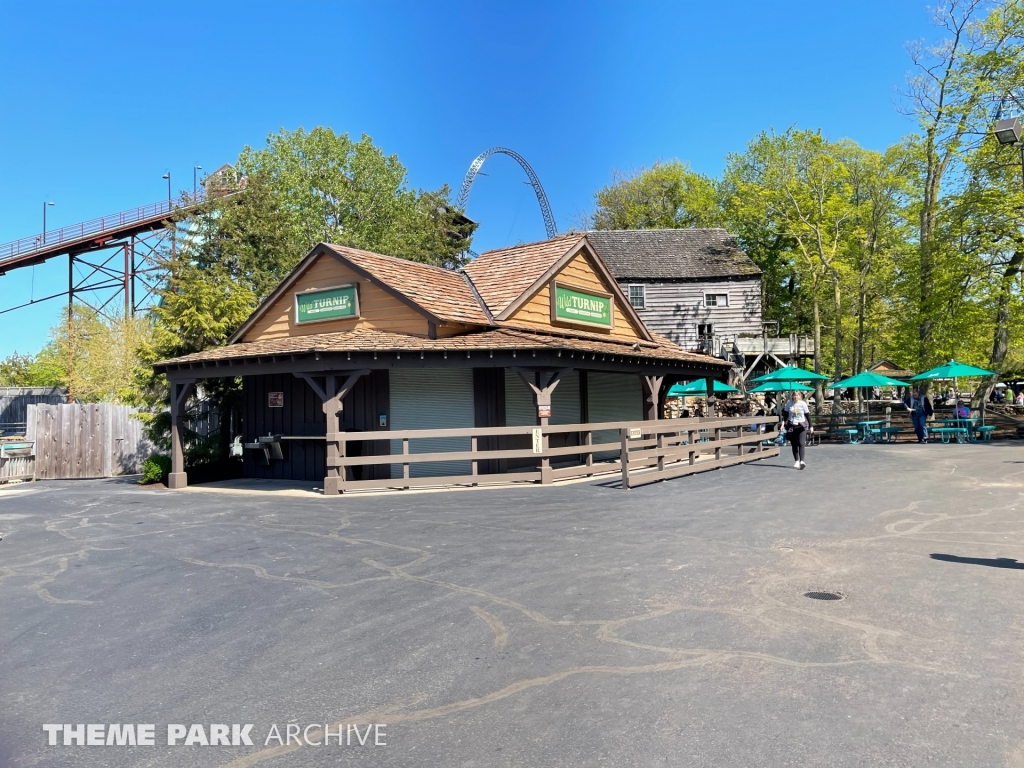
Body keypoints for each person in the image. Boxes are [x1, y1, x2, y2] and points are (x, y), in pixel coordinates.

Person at [783, 390, 811, 469]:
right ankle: (796, 461)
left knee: (801, 443)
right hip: (792, 426)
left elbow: (808, 415)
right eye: (794, 395)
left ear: (800, 396)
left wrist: (811, 426)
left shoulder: (803, 404)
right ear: (792, 396)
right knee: (794, 444)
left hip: (801, 426)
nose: (796, 397)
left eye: (797, 395)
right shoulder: (789, 403)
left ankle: (802, 461)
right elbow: (785, 414)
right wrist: (783, 423)